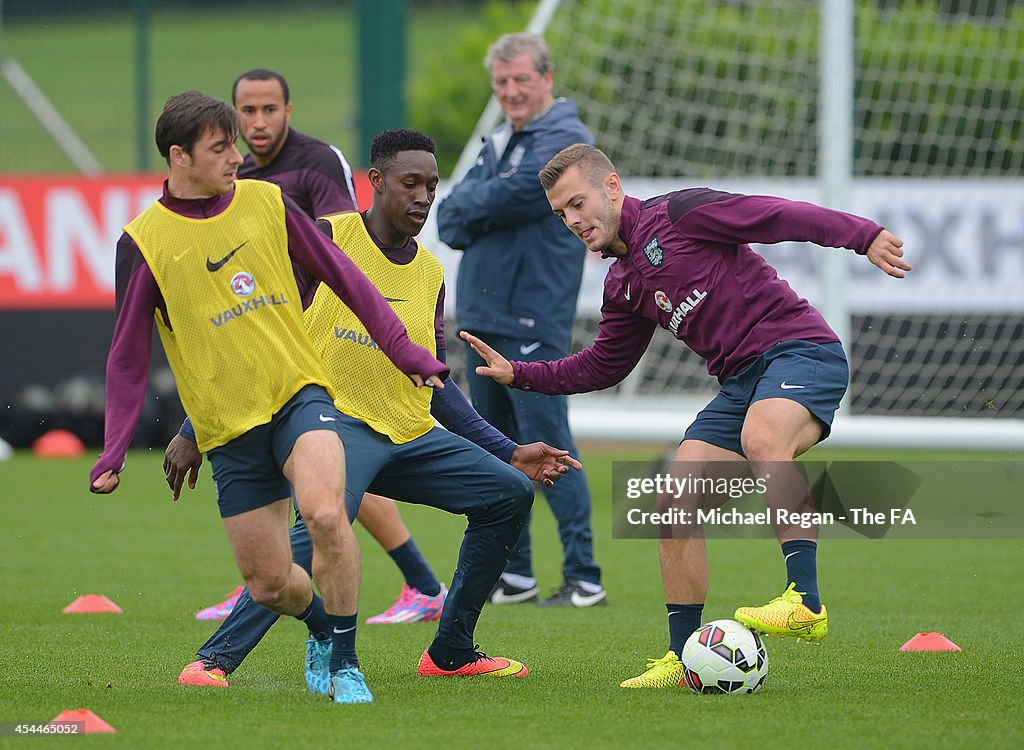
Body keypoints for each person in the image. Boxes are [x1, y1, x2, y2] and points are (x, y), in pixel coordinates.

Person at [462, 143, 911, 688]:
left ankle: (805, 601)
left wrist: (862, 236)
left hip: (802, 352)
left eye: (578, 204)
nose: (573, 221)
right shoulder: (620, 283)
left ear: (611, 187)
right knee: (673, 501)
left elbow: (777, 215)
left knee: (763, 436)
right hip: (743, 382)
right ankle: (682, 659)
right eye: (561, 214)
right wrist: (522, 373)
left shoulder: (682, 213)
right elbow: (605, 366)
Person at [173, 129, 583, 690]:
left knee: (508, 495)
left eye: (431, 186)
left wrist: (510, 451)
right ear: (375, 182)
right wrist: (193, 426)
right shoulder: (327, 237)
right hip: (332, 426)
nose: (422, 197)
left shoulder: (432, 273)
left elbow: (436, 382)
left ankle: (451, 650)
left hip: (410, 434)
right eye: (410, 183)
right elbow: (257, 331)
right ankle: (215, 659)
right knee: (319, 526)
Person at [89, 92, 448, 705]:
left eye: (234, 144)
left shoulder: (267, 202)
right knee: (270, 584)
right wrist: (114, 449)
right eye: (220, 147)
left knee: (329, 515)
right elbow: (126, 355)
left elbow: (348, 279)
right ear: (179, 156)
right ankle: (316, 626)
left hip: (300, 398)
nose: (237, 156)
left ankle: (346, 662)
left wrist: (409, 353)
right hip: (228, 428)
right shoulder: (144, 241)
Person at [183, 68, 447, 626]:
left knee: (334, 473)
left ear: (289, 109)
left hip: (332, 339)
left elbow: (345, 251)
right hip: (271, 339)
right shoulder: (237, 173)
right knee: (322, 478)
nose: (257, 122)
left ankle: (397, 591)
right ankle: (397, 584)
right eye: (246, 112)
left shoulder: (316, 162)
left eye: (269, 109)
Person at [436, 33, 604, 608]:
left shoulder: (564, 140)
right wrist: (484, 199)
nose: (510, 91)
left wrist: (481, 199)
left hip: (532, 313)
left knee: (550, 444)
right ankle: (519, 575)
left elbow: (513, 199)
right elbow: (452, 220)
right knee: (497, 448)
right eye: (501, 83)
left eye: (520, 80)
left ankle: (585, 577)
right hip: (485, 315)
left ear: (547, 78)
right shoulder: (502, 140)